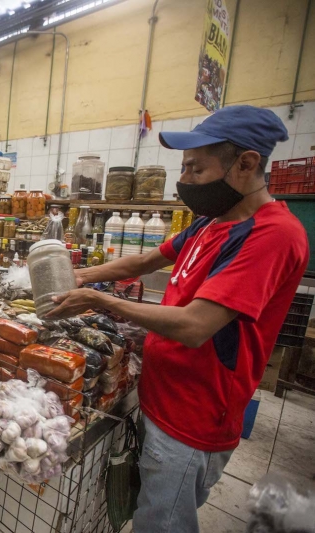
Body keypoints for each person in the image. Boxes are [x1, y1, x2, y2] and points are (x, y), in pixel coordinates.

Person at [47, 106, 309, 533]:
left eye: (195, 168)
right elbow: (146, 260)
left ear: (246, 164)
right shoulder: (210, 223)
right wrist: (80, 275)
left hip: (195, 416)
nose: (184, 180)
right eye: (183, 167)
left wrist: (98, 300)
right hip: (163, 394)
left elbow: (194, 326)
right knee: (151, 506)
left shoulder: (272, 235)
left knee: (163, 523)